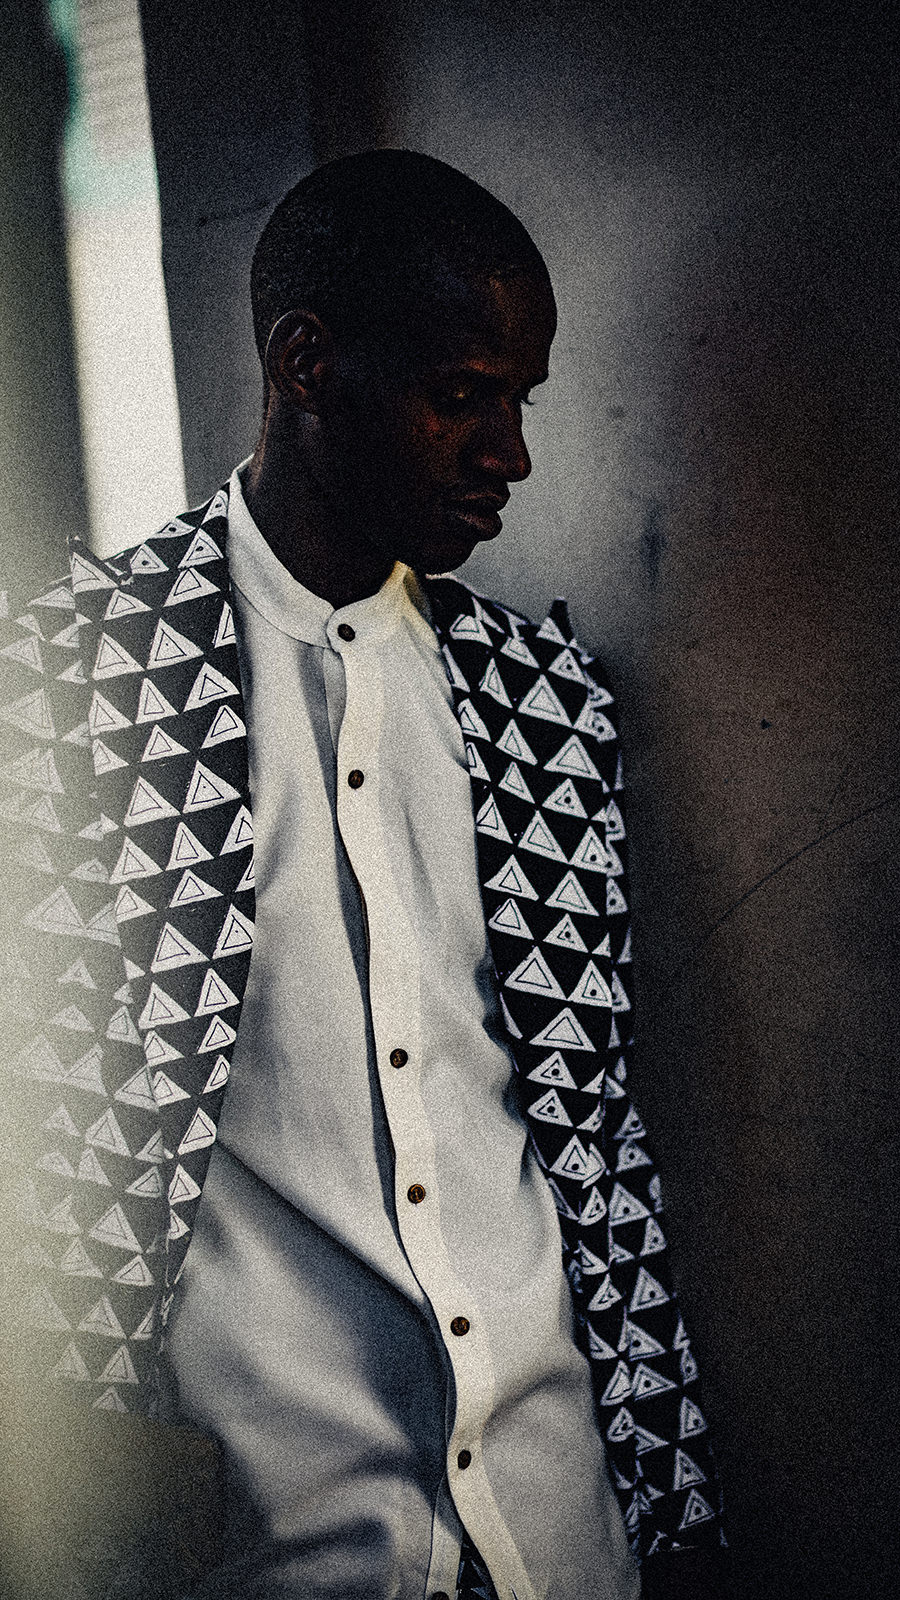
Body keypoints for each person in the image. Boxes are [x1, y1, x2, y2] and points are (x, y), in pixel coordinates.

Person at [0, 150, 725, 1599]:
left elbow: (595, 1144)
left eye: (521, 402)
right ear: (306, 365)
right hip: (275, 1553)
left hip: (565, 1539)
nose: (511, 453)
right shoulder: (73, 686)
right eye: (464, 394)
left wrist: (671, 1498)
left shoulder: (545, 703)